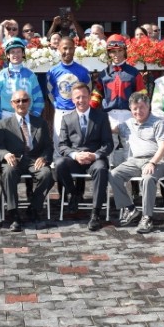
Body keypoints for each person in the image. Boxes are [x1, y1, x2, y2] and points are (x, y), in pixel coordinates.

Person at [54, 82, 114, 231]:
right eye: (78, 97)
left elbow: (108, 143)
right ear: (73, 100)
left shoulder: (101, 117)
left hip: (94, 159)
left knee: (101, 169)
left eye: (84, 97)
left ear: (89, 97)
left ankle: (95, 213)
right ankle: (74, 194)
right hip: (75, 159)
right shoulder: (67, 119)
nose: (81, 100)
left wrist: (95, 155)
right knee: (59, 163)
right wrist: (75, 155)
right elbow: (62, 146)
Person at [108, 92, 164, 234]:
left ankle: (147, 217)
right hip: (135, 161)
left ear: (148, 107)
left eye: (141, 107)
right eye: (135, 108)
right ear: (130, 109)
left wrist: (153, 163)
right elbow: (111, 129)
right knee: (114, 174)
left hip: (156, 161)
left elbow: (163, 147)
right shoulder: (127, 124)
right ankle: (131, 209)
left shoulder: (157, 123)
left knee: (147, 179)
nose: (138, 111)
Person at [0, 89, 54, 232]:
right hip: (14, 160)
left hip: (34, 160)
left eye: (24, 100)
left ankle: (33, 207)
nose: (21, 104)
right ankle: (14, 213)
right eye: (17, 101)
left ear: (29, 102)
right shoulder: (2, 124)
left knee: (47, 174)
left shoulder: (40, 122)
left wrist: (44, 157)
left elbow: (48, 146)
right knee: (8, 173)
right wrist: (5, 154)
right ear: (12, 104)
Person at [46, 35, 94, 145]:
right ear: (59, 49)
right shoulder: (52, 72)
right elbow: (50, 92)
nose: (67, 51)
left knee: (78, 141)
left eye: (70, 48)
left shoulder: (83, 71)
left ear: (74, 49)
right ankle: (58, 161)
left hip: (77, 111)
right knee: (59, 140)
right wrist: (57, 104)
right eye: (64, 48)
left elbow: (88, 91)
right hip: (60, 111)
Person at [0, 37, 45, 122]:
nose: (16, 55)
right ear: (7, 55)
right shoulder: (1, 75)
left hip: (27, 116)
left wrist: (35, 116)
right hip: (6, 116)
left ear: (23, 54)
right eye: (12, 52)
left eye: (18, 51)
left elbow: (39, 98)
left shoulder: (31, 75)